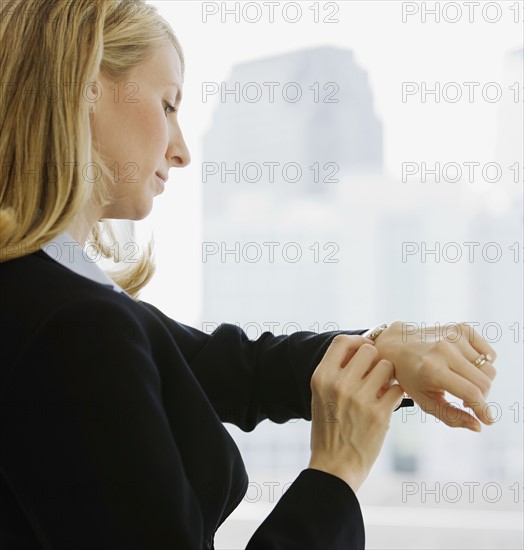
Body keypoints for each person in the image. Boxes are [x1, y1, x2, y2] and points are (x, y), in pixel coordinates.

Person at [0, 1, 498, 548]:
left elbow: (237, 369)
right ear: (85, 87)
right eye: (168, 105)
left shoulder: (48, 295)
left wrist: (383, 350)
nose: (182, 150)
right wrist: (337, 471)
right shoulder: (75, 324)